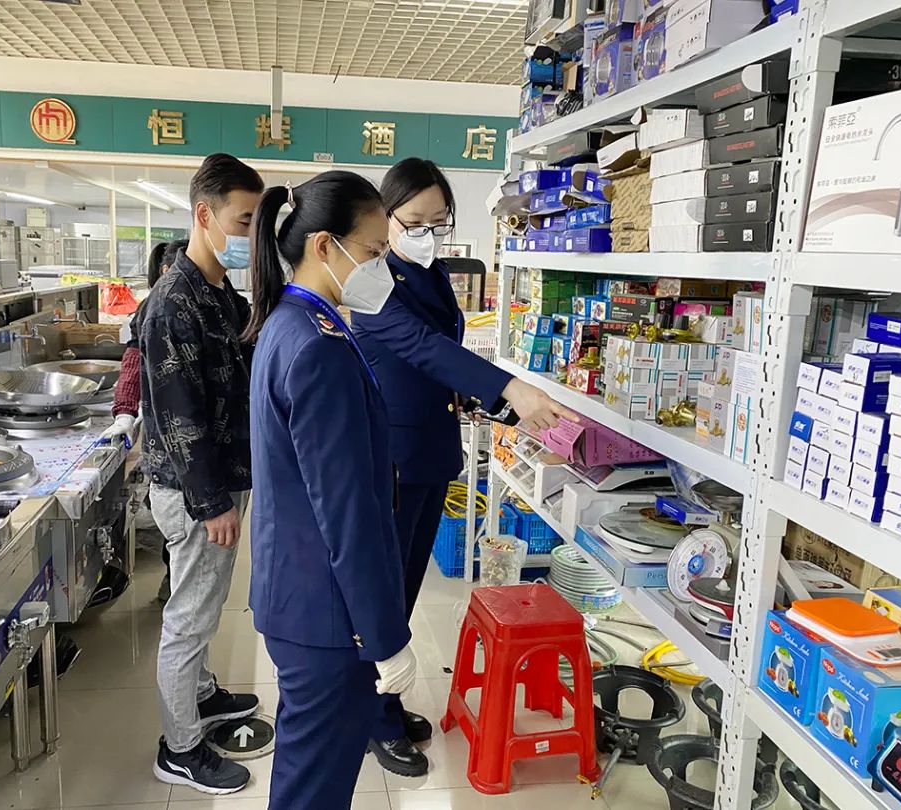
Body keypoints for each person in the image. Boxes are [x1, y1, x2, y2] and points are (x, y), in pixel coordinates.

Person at [350, 157, 575, 776]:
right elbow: (422, 347)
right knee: (384, 592)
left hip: (431, 450)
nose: (427, 234)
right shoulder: (369, 281)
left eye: (438, 222)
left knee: (406, 587)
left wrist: (497, 407)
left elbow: (443, 357)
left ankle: (385, 703)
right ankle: (373, 717)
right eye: (414, 222)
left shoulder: (433, 274)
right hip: (392, 458)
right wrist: (510, 389)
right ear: (384, 218)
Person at [244, 172, 415, 810]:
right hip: (327, 613)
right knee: (314, 788)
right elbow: (348, 514)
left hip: (299, 594)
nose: (381, 267)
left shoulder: (291, 324)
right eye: (372, 251)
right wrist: (385, 637)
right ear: (324, 245)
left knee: (309, 775)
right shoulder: (317, 348)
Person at [138, 154, 264, 795]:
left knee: (206, 603)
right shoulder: (173, 304)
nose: (249, 235)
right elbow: (178, 415)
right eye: (243, 221)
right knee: (188, 615)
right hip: (195, 490)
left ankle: (204, 694)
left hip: (220, 477)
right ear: (204, 214)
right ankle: (179, 746)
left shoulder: (219, 294)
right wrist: (212, 502)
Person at [102, 238, 188, 603]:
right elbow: (132, 365)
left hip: (186, 444)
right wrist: (124, 413)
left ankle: (174, 581)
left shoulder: (200, 303)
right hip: (168, 444)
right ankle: (173, 583)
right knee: (177, 520)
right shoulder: (156, 310)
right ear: (168, 271)